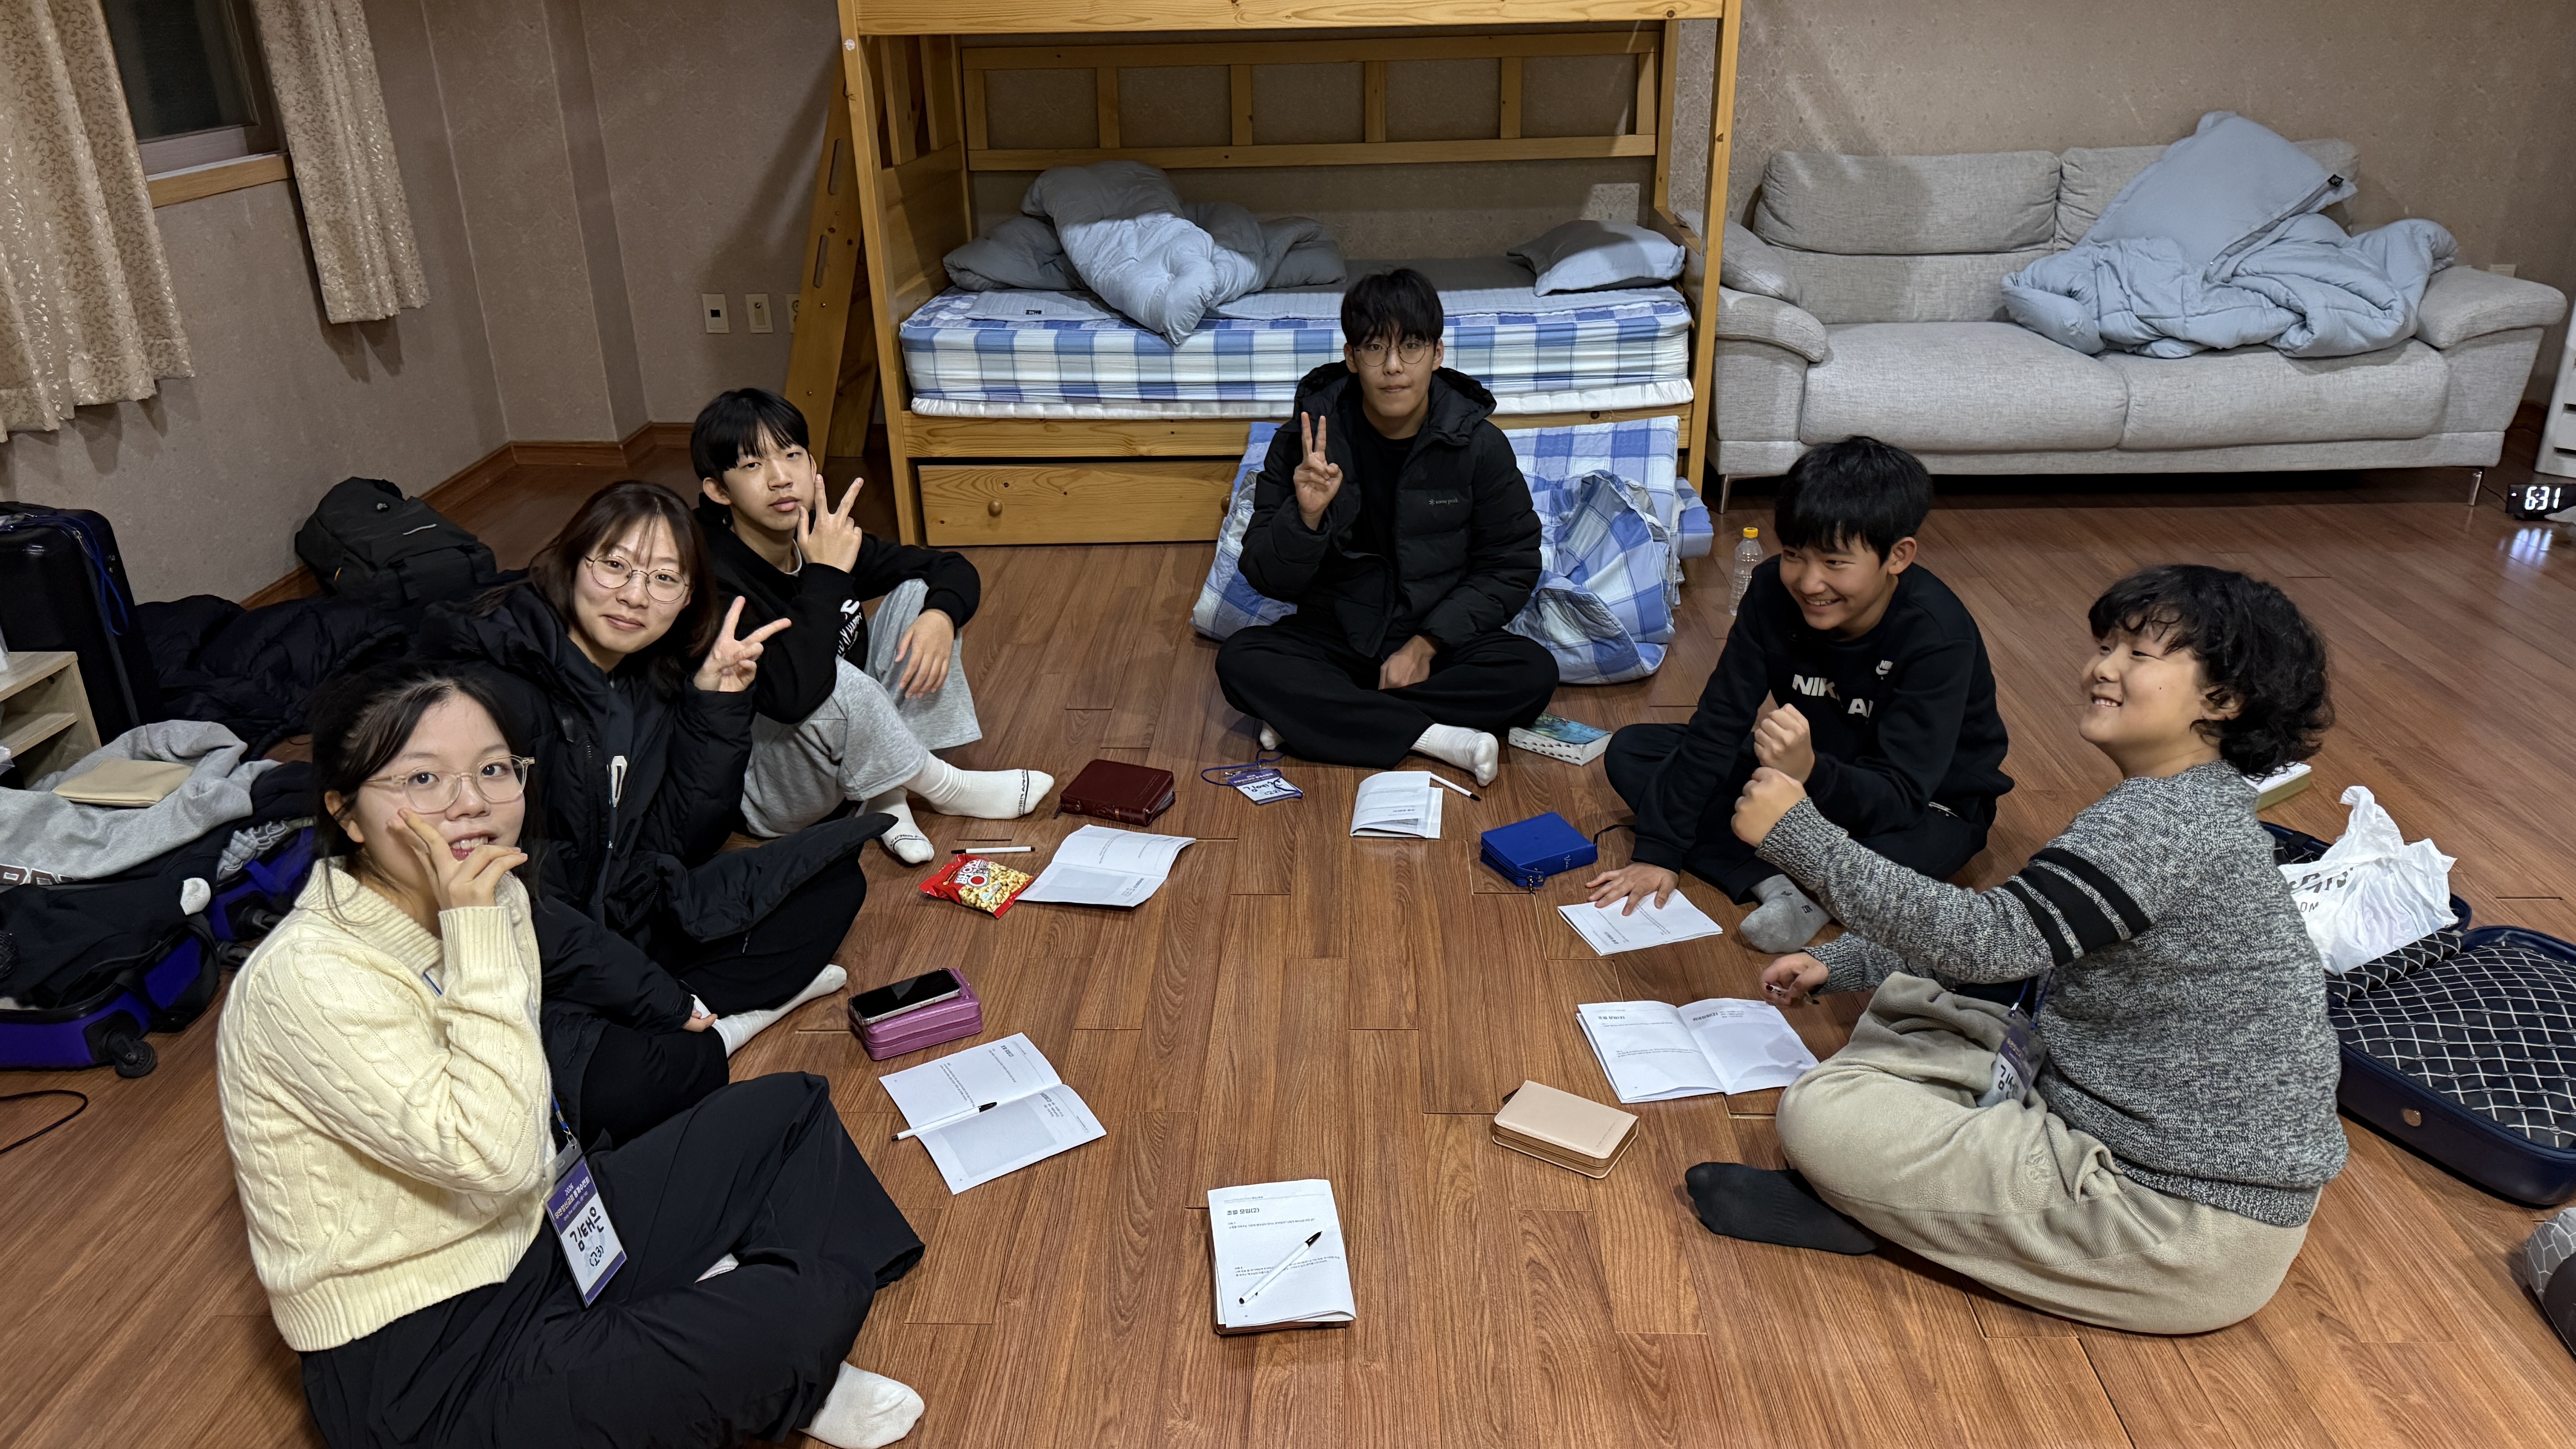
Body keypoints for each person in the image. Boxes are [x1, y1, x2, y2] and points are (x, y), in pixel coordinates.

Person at [216, 662, 927, 1448]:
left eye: (493, 769)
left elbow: (531, 1123)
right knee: (800, 1308)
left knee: (790, 1110)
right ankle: (779, 1346)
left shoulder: (494, 893)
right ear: (347, 812)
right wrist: (475, 930)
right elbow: (492, 1156)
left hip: (534, 1232)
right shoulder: (309, 976)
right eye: (422, 777)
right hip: (425, 1362)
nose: (470, 802)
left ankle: (772, 1341)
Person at [1693, 564, 2343, 1335]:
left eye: (2138, 654)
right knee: (1943, 989)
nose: (2102, 667)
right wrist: (1850, 963)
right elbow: (2033, 933)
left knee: (1820, 1115)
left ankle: (1879, 1206)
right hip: (2139, 1159)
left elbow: (1994, 939)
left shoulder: (2166, 823)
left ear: (2224, 699)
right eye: (2105, 646)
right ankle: (1911, 1204)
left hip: (2173, 1227)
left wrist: (1800, 836)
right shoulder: (2185, 805)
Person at [418, 482, 885, 1105]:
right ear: (570, 560)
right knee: (632, 1083)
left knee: (833, 880)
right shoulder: (489, 696)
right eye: (615, 565)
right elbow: (512, 902)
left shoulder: (645, 674)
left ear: (688, 598)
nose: (635, 596)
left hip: (617, 913)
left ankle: (691, 1025)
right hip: (522, 948)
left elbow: (679, 841)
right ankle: (716, 1027)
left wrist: (716, 706)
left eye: (665, 578)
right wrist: (655, 996)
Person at [1587, 437, 2011, 952]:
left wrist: (1809, 772)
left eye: (1835, 562)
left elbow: (1900, 795)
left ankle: (1790, 869)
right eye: (1793, 555)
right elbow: (1719, 724)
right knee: (1636, 751)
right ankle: (1785, 887)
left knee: (1914, 853)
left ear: (1897, 556)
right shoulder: (1771, 592)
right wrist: (1658, 852)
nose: (1810, 583)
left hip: (1922, 803)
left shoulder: (1936, 635)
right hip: (1808, 775)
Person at [1214, 267, 1556, 787]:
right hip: (1336, 633)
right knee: (1242, 661)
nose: (1393, 367)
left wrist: (1425, 645)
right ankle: (1436, 737)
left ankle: (1316, 718)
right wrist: (1306, 516)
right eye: (1375, 348)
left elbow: (1511, 564)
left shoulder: (1479, 445)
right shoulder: (1306, 442)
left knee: (1532, 672)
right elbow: (1265, 575)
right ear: (1352, 357)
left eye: (1411, 347)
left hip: (1436, 637)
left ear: (1437, 354)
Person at [691, 388, 1051, 865]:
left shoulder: (817, 533)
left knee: (921, 594)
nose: (781, 478)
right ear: (719, 490)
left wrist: (940, 617)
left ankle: (889, 795)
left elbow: (949, 567)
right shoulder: (712, 574)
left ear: (812, 463)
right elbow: (793, 695)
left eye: (792, 455)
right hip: (769, 789)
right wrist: (826, 575)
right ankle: (945, 787)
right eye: (753, 465)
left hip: (836, 751)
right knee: (828, 673)